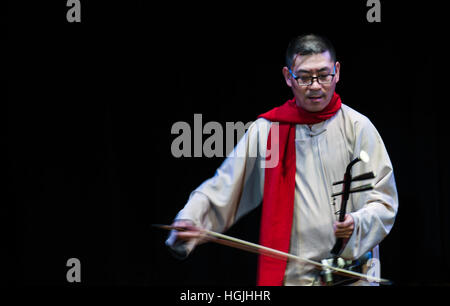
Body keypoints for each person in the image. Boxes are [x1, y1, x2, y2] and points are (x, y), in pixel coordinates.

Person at [165, 34, 398, 286]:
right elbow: (224, 186)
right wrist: (190, 219)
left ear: (337, 71)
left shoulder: (358, 128)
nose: (316, 86)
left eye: (323, 75)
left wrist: (357, 222)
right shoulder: (268, 131)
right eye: (305, 77)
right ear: (288, 76)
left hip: (352, 278)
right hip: (294, 279)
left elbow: (384, 201)